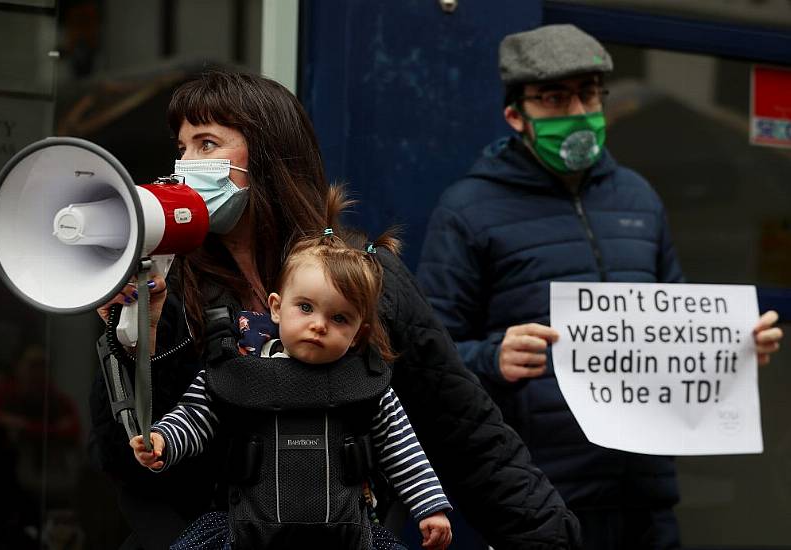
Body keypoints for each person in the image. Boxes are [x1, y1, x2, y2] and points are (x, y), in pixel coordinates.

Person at [88, 68, 581, 550]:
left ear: (268, 154)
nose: (186, 165)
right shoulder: (167, 284)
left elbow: (466, 433)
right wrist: (132, 343)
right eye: (182, 149)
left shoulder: (365, 277)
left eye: (207, 145)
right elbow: (128, 459)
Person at [416, 23, 785, 550]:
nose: (577, 112)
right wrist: (491, 357)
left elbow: (674, 322)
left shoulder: (638, 197)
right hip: (538, 490)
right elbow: (428, 356)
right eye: (555, 98)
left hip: (645, 489)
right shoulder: (468, 208)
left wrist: (737, 348)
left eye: (588, 94)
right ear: (516, 116)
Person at [129, 194, 453, 549]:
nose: (319, 325)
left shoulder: (365, 383)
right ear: (276, 307)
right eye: (306, 307)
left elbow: (403, 450)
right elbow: (194, 417)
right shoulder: (238, 367)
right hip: (245, 533)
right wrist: (161, 441)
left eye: (339, 318)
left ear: (360, 331)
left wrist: (430, 508)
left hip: (347, 536)